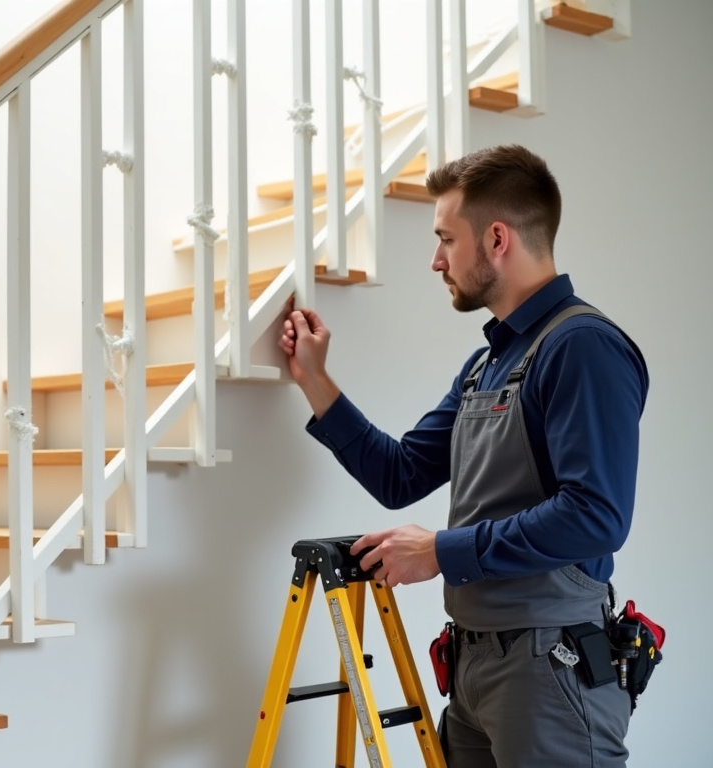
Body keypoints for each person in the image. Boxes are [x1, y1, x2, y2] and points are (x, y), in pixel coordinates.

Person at [278, 144, 649, 768]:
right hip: (475, 666)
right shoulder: (487, 365)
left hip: (547, 670)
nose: (435, 259)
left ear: (497, 238)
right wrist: (315, 379)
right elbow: (401, 475)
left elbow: (595, 516)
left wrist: (440, 552)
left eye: (446, 238)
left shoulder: (582, 348)